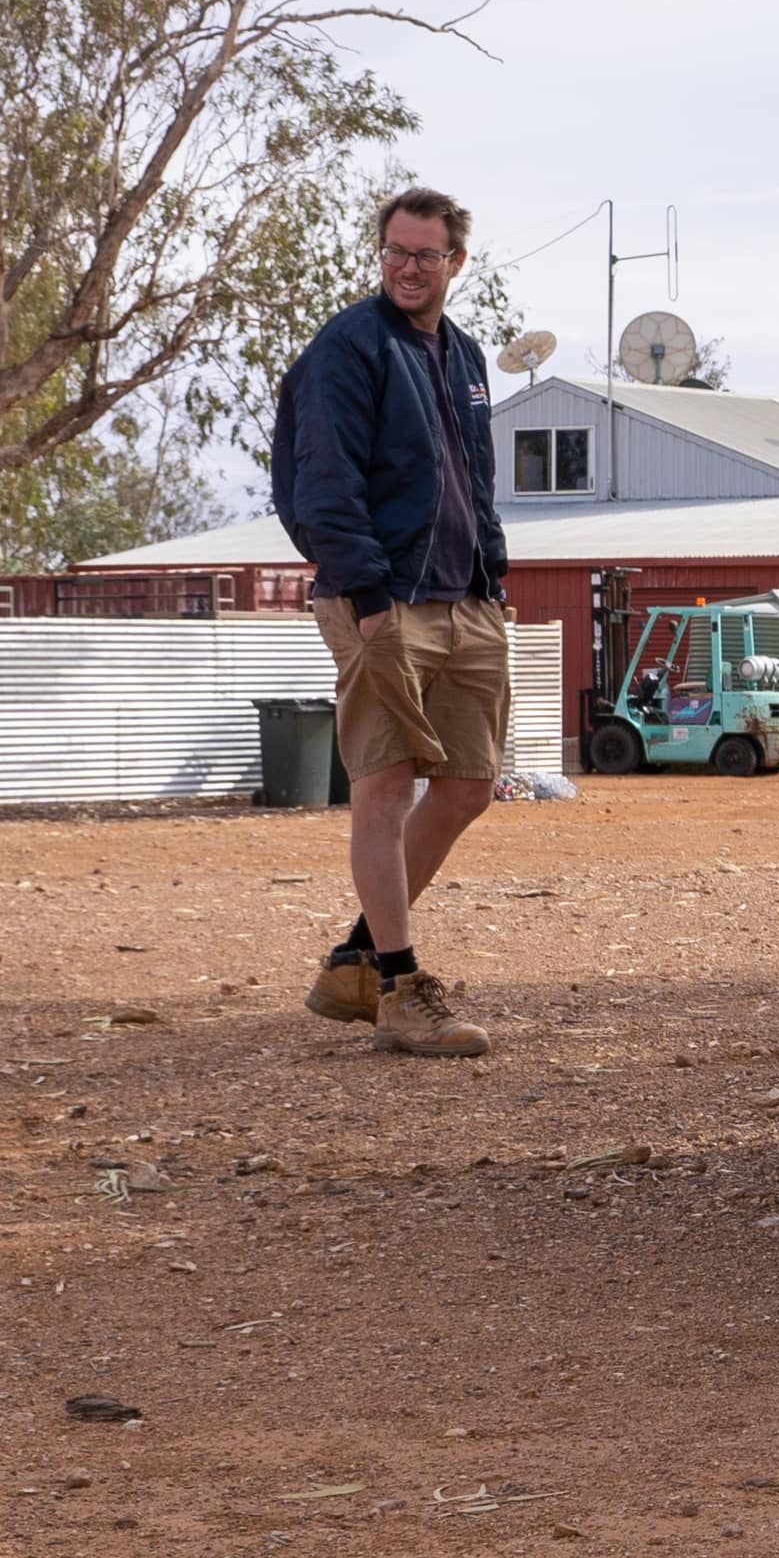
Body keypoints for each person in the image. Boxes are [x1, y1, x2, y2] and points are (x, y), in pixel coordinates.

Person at [271, 185, 512, 1056]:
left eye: (426, 254)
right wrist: (367, 596)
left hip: (467, 599)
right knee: (384, 782)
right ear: (381, 255)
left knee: (467, 787)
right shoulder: (347, 347)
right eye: (395, 252)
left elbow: (473, 480)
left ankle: (355, 960)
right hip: (381, 601)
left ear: (456, 261)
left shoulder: (467, 355)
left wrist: (494, 574)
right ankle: (402, 988)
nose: (409, 269)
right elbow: (318, 481)